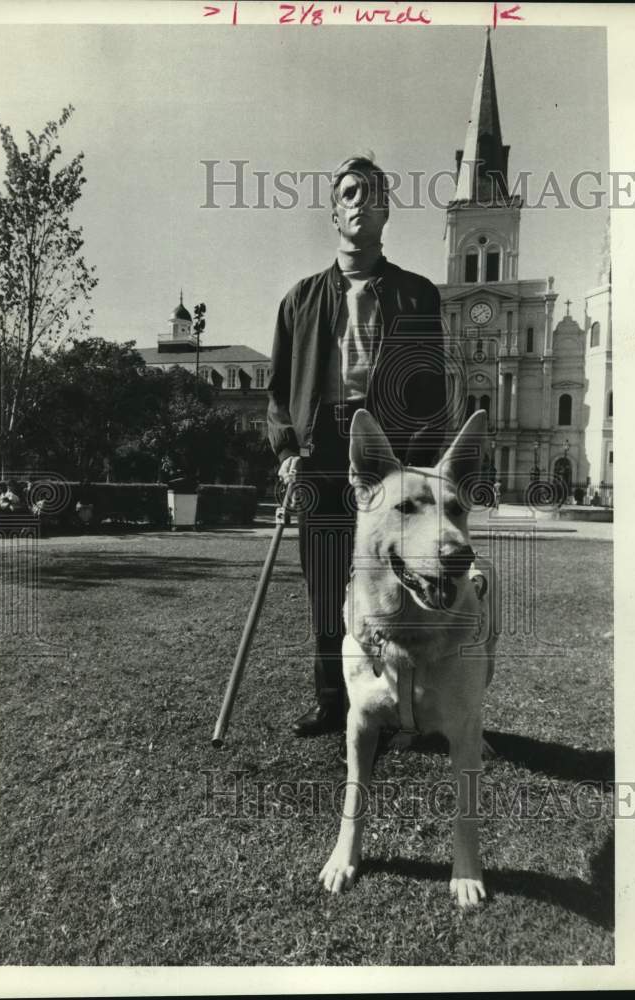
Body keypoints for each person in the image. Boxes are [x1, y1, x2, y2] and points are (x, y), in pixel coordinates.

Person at [267, 154, 449, 737]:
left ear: (386, 211)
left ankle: (404, 700)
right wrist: (288, 450)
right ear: (333, 211)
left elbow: (430, 390)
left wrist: (410, 468)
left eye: (371, 193)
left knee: (397, 579)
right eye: (349, 192)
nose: (359, 202)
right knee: (325, 580)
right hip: (320, 451)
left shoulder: (418, 297)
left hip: (388, 455)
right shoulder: (299, 301)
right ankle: (332, 700)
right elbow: (277, 393)